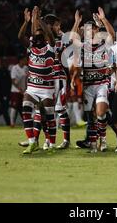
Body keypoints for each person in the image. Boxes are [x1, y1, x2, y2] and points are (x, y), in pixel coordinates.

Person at [71, 7, 115, 153]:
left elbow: (112, 35)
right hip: (88, 85)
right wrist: (77, 22)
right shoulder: (83, 47)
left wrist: (103, 19)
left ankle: (103, 139)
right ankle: (93, 142)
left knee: (101, 113)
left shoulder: (104, 44)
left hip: (102, 83)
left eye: (94, 29)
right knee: (90, 115)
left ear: (97, 30)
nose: (91, 32)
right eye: (88, 30)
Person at [19, 6, 56, 154]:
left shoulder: (50, 47)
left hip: (47, 89)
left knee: (48, 117)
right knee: (26, 108)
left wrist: (39, 20)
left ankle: (51, 143)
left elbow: (49, 36)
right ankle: (32, 142)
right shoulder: (31, 47)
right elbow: (20, 36)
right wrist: (27, 21)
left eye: (41, 35)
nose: (38, 37)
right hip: (32, 87)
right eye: (36, 35)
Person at [44, 14, 71, 149]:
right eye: (56, 25)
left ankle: (66, 140)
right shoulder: (41, 39)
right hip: (46, 78)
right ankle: (47, 139)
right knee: (45, 110)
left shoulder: (62, 39)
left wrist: (76, 23)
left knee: (60, 109)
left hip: (59, 77)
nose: (59, 27)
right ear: (49, 26)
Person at [9, 55, 28, 127]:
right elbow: (13, 80)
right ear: (21, 60)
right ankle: (12, 123)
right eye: (25, 60)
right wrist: (19, 89)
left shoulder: (26, 68)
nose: (26, 61)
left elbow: (27, 79)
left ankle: (25, 123)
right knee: (14, 107)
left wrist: (25, 89)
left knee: (23, 107)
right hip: (15, 91)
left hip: (23, 90)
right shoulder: (14, 68)